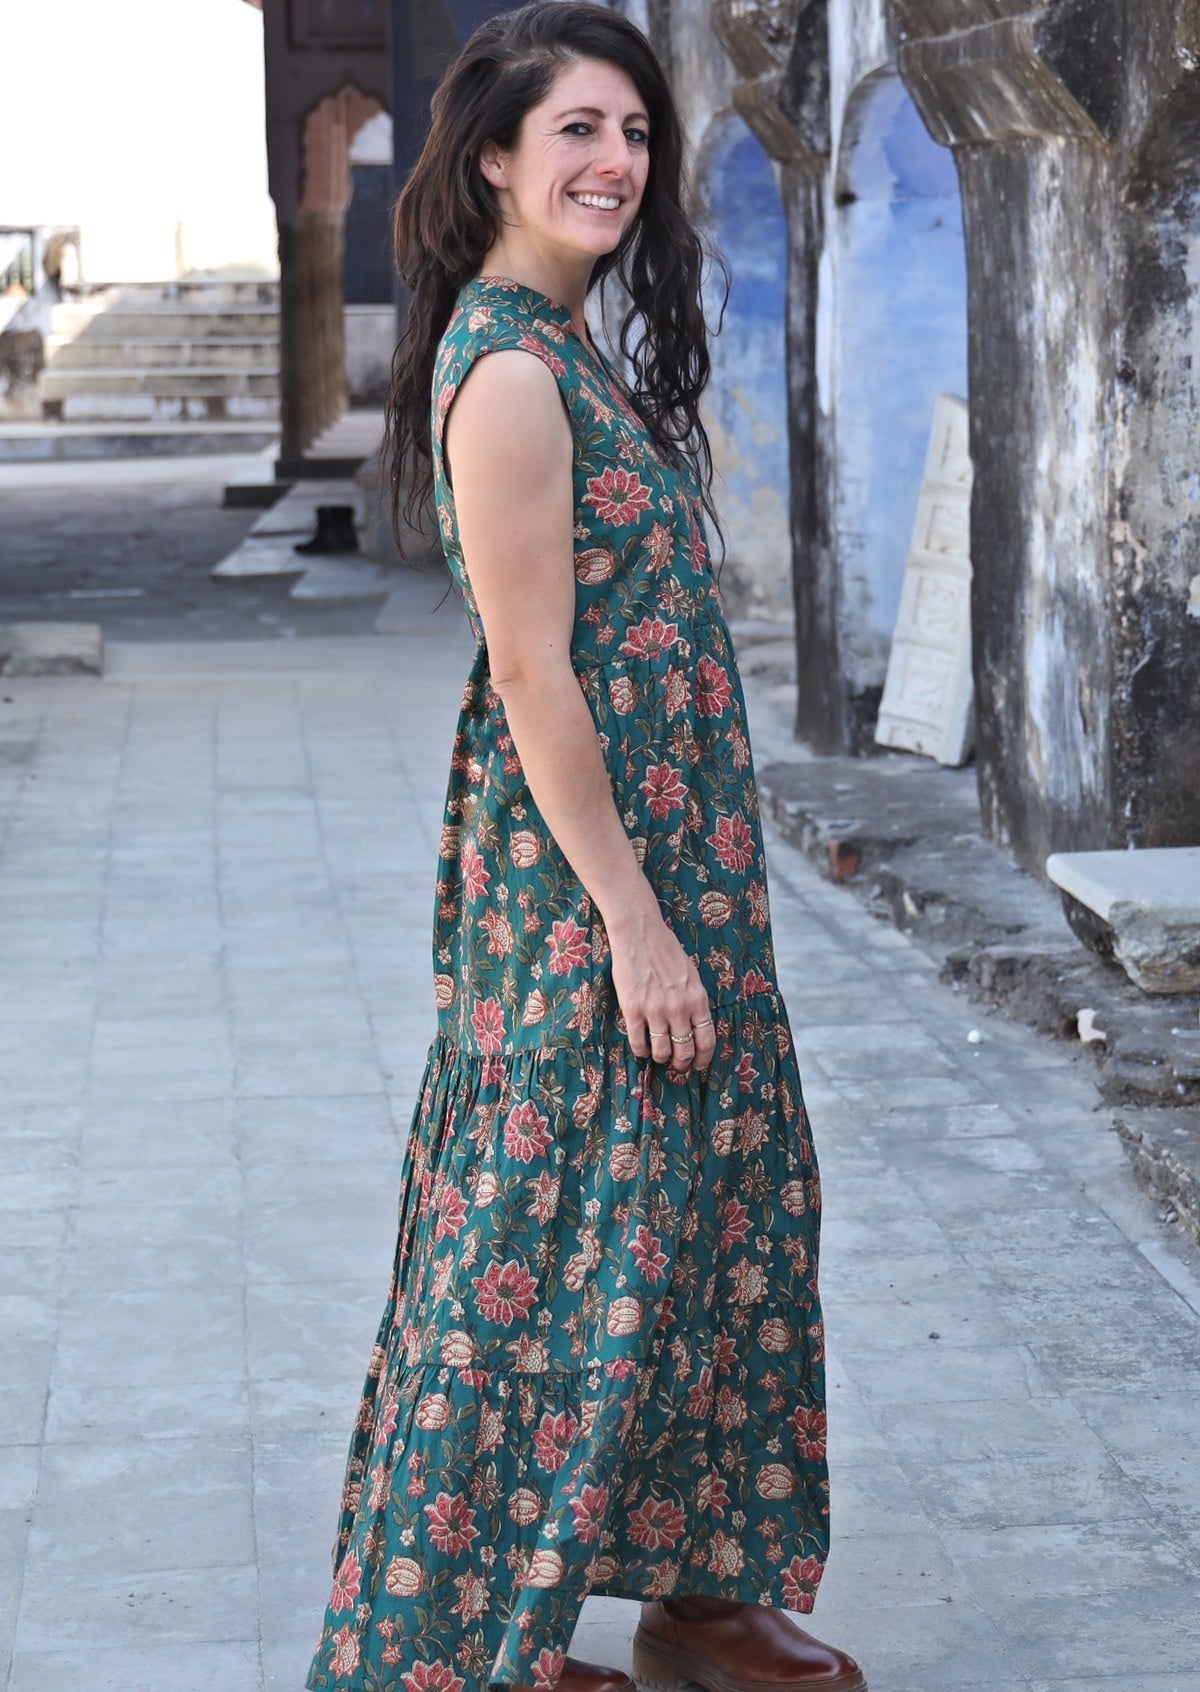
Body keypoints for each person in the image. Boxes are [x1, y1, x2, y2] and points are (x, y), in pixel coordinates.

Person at [307, 7, 866, 1692]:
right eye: (578, 131)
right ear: (494, 158)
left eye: (635, 130)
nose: (618, 159)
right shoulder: (509, 373)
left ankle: (698, 1596)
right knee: (553, 1247)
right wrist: (633, 923)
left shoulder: (572, 345)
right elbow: (536, 673)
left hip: (676, 866)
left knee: (707, 1220)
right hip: (586, 896)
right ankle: (474, 1644)